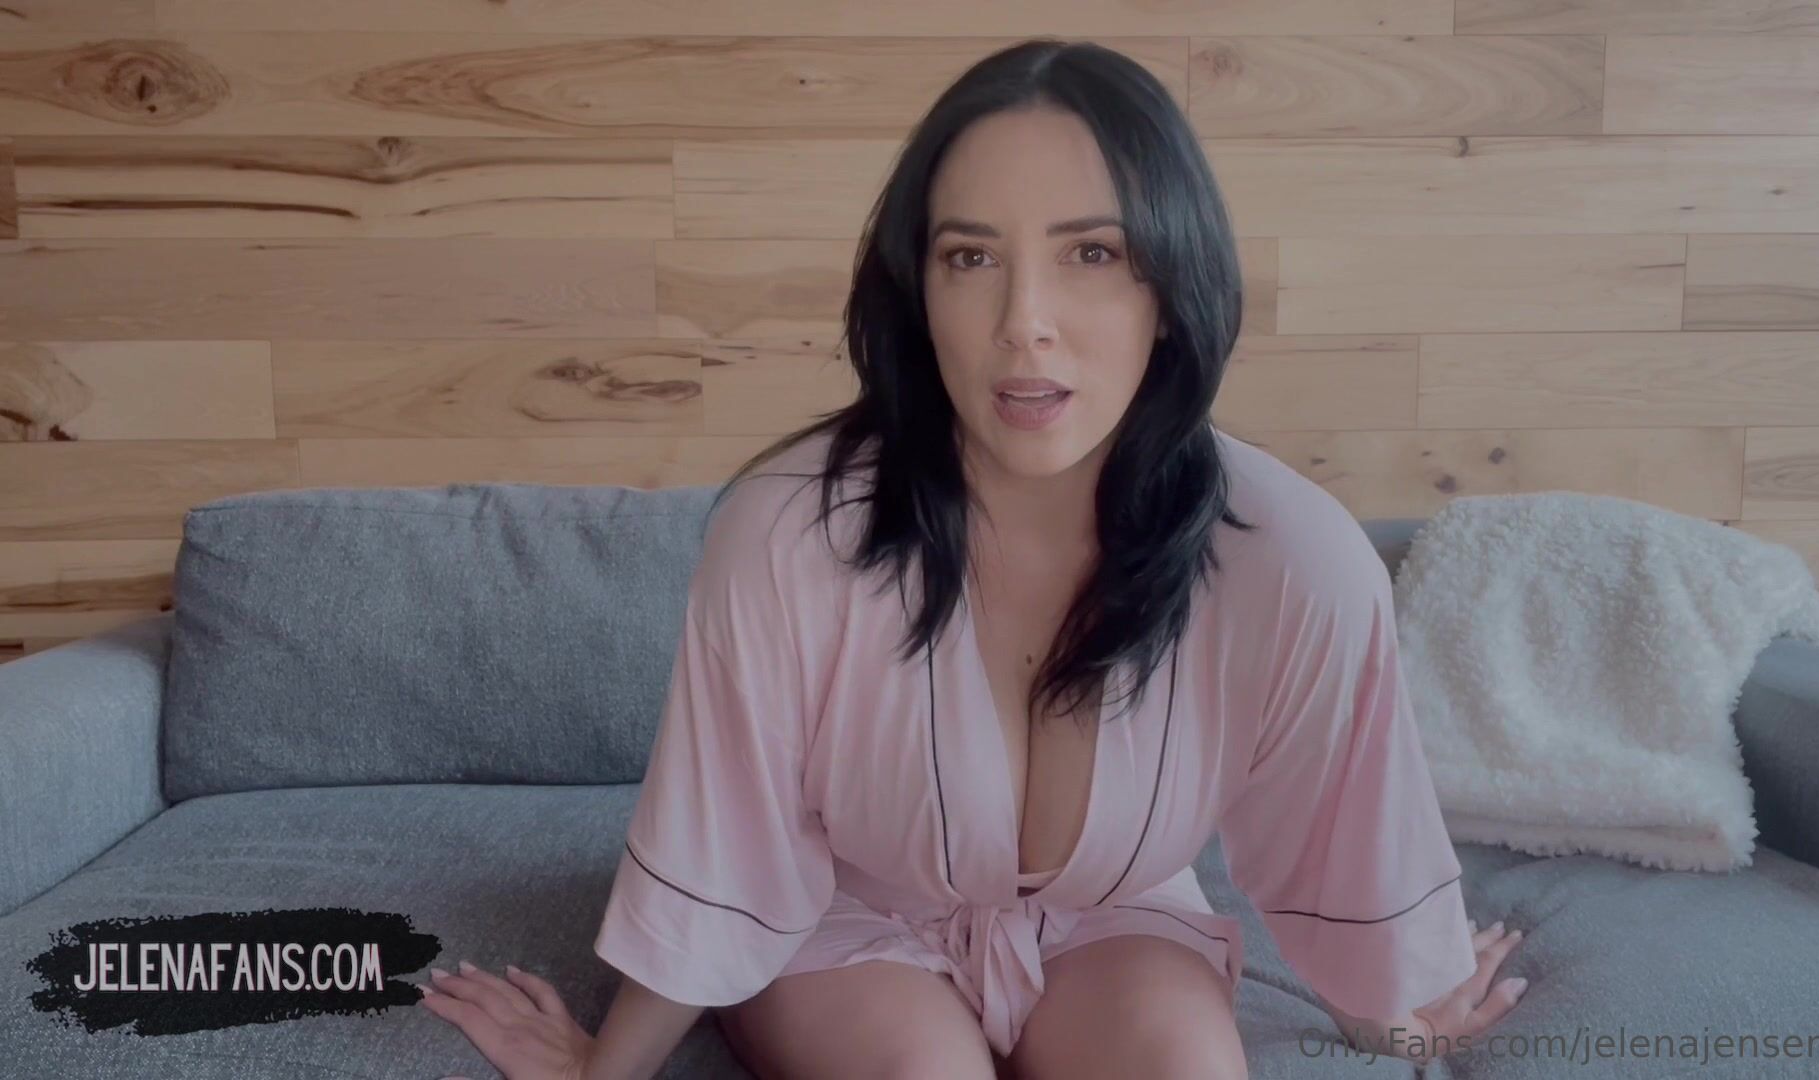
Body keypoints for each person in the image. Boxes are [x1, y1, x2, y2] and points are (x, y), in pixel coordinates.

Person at [417, 37, 1528, 1080]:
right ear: (920, 292)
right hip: (843, 918)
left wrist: (1395, 1015)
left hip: (1113, 919)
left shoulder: (1292, 558)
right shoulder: (786, 533)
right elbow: (728, 841)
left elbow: (1338, 833)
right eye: (971, 256)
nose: (1023, 321)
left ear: (1169, 288)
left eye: (1091, 253)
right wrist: (605, 1067)